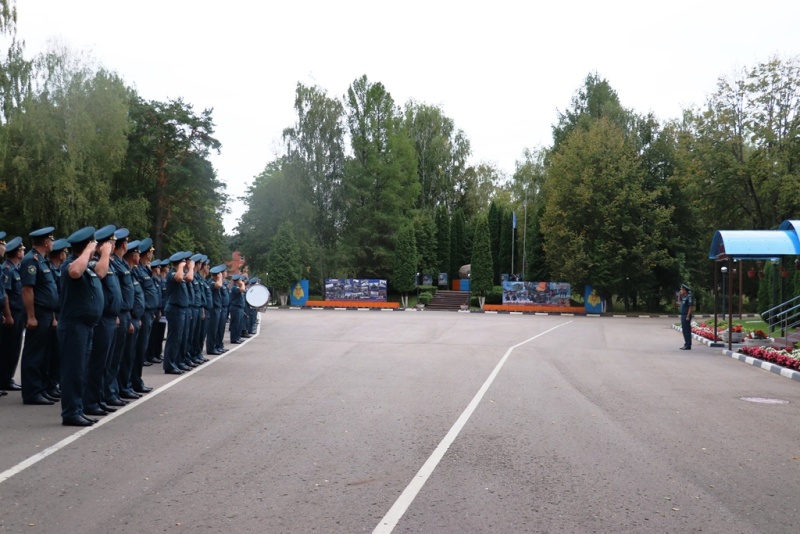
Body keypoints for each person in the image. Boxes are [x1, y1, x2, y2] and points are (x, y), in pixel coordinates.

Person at [57, 226, 105, 426]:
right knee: (73, 371)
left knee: (81, 370)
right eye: (92, 243)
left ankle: (77, 409)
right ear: (87, 245)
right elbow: (75, 271)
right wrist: (88, 250)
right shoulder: (71, 264)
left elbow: (101, 272)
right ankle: (70, 413)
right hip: (74, 326)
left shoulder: (88, 266)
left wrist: (104, 253)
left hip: (85, 325)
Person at [19, 226, 59, 405]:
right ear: (45, 242)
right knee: (34, 354)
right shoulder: (31, 260)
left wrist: (52, 316)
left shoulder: (43, 261)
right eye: (51, 240)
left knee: (44, 354)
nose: (53, 243)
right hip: (38, 314)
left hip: (47, 314)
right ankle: (31, 392)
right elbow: (28, 290)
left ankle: (41, 389)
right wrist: (31, 316)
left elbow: (48, 292)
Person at [1, 236, 25, 394]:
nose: (24, 251)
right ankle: (3, 379)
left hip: (19, 312)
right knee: (7, 349)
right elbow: (6, 295)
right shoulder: (7, 269)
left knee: (15, 348)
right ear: (17, 253)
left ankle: (8, 378)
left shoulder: (15, 268)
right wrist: (8, 315)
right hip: (13, 313)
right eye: (22, 249)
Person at [679, 283, 694, 350]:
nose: (681, 291)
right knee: (684, 330)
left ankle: (688, 345)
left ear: (685, 290)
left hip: (686, 315)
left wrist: (688, 316)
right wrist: (680, 294)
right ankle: (686, 344)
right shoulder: (684, 297)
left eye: (681, 289)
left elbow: (690, 307)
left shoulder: (689, 296)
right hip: (683, 315)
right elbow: (679, 300)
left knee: (687, 330)